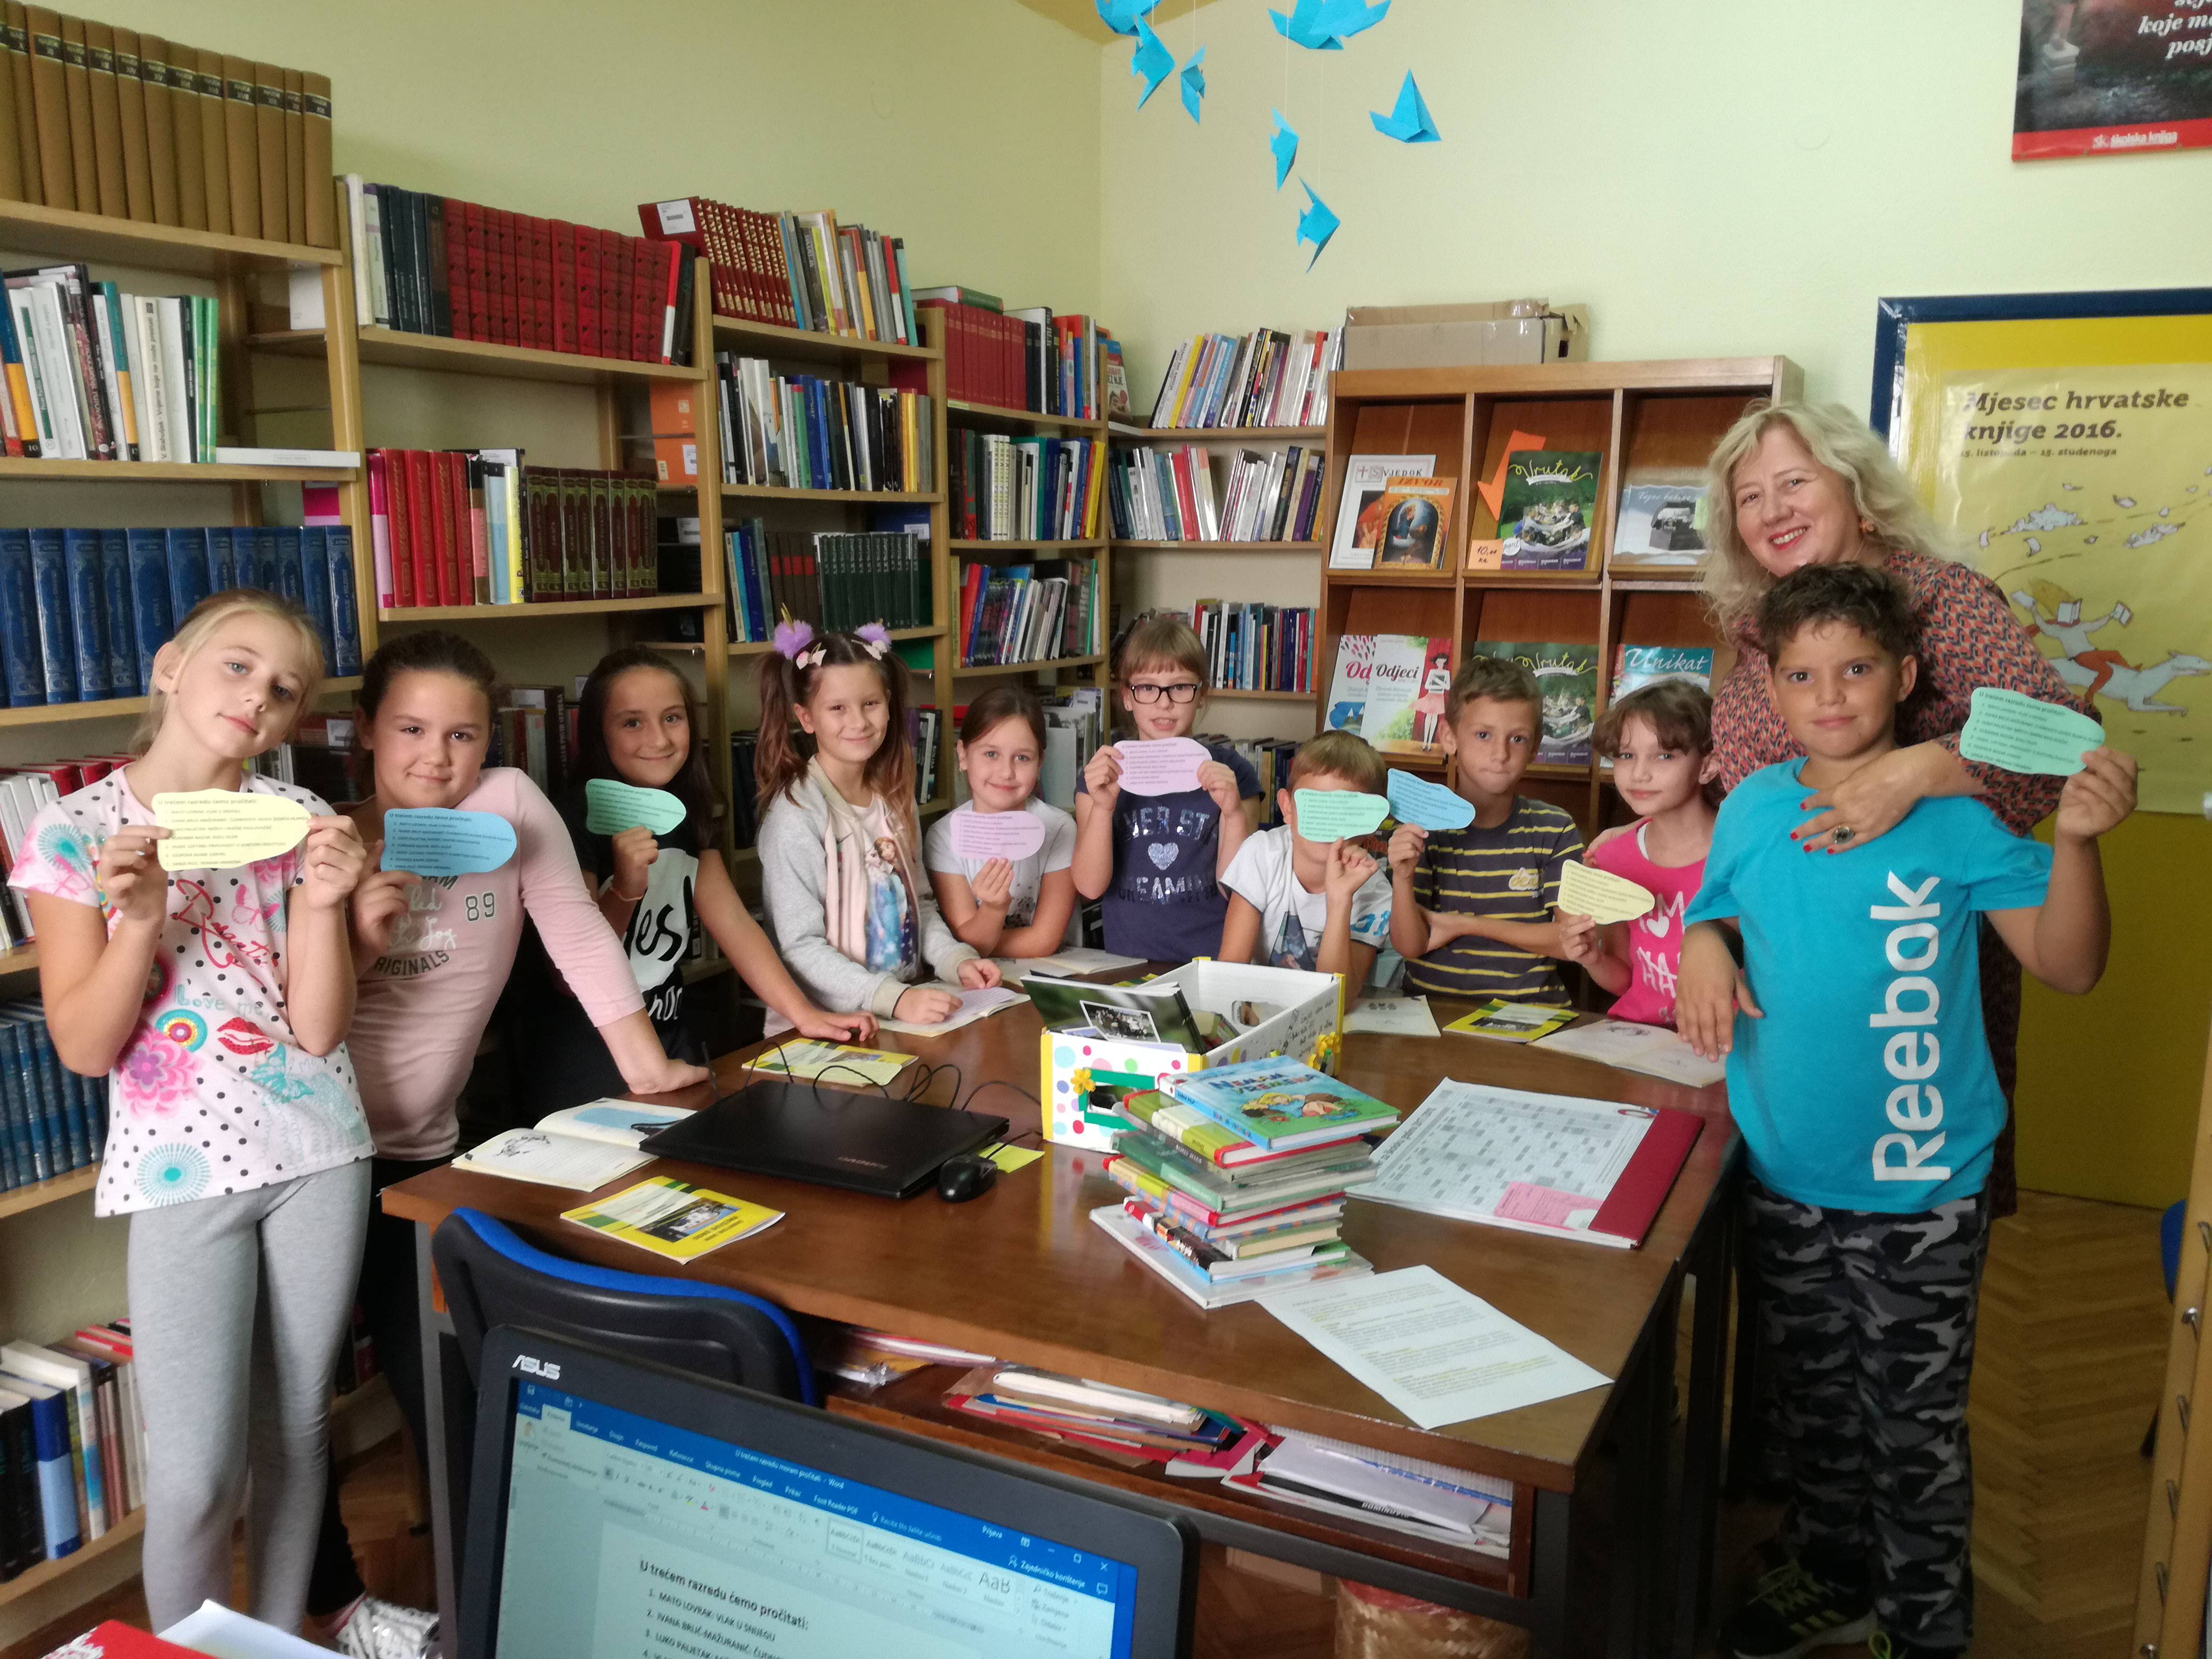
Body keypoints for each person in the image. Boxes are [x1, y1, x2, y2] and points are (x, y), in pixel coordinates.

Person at [1678, 564, 2135, 1659]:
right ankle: (1834, 1578)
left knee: (1912, 1434)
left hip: (1922, 1192)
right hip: (1785, 1179)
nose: (1829, 695)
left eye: (1856, 669)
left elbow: (2069, 966)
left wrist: (2076, 843)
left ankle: (1926, 1626)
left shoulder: (1955, 818)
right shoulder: (1752, 805)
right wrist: (1700, 940)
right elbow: (1722, 906)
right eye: (1801, 675)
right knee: (1817, 1416)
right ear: (1770, 692)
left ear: (1907, 675)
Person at [306, 630, 708, 1656]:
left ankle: (499, 1610)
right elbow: (293, 1016)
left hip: (425, 1154)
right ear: (365, 733)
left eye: (463, 735)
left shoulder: (511, 807)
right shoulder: (330, 842)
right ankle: (332, 1607)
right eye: (411, 730)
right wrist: (355, 932)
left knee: (457, 1380)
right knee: (295, 1394)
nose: (437, 757)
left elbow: (574, 929)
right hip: (312, 1154)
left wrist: (646, 1065)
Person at [12, 592, 373, 1634]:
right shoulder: (74, 830)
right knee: (195, 1472)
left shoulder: (296, 818)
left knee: (297, 1430)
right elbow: (85, 1047)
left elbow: (318, 1030)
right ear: (172, 666)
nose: (258, 696)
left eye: (285, 689)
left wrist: (323, 904)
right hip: (184, 1165)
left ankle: (277, 1641)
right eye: (238, 666)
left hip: (320, 1147)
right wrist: (138, 924)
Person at [1700, 398, 2078, 1217]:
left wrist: (1918, 771)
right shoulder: (1761, 627)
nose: (1774, 510)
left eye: (1795, 482)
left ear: (1857, 488)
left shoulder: (1942, 598)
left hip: (1916, 950)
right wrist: (1709, 933)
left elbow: (2062, 734)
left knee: (1917, 1181)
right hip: (1789, 974)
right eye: (1751, 497)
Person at [515, 646, 872, 1110]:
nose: (659, 739)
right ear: (598, 733)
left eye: (673, 718)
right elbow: (569, 974)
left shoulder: (684, 810)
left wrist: (804, 1014)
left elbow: (736, 926)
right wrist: (624, 890)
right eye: (632, 723)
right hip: (589, 1062)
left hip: (670, 1041)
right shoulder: (570, 820)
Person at [754, 622, 1000, 1023]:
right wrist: (893, 998)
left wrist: (955, 959)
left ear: (888, 704)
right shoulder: (796, 815)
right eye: (837, 708)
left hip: (901, 1012)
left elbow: (918, 905)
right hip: (826, 1030)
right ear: (806, 717)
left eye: (870, 703)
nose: (859, 722)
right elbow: (799, 946)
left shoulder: (896, 799)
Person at [1386, 654, 1584, 1002]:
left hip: (1529, 1012)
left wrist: (1466, 924)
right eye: (1483, 735)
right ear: (1450, 738)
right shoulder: (1422, 828)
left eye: (1517, 739)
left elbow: (1573, 942)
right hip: (1434, 1011)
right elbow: (1410, 946)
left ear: (1535, 748)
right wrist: (1403, 878)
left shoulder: (1554, 828)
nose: (1500, 754)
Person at [1071, 615, 1259, 960]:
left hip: (1212, 959)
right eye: (1147, 688)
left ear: (1201, 695)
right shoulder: (1102, 775)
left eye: (1180, 687)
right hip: (1126, 961)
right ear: (1127, 697)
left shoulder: (1234, 774)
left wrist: (1233, 814)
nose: (1164, 703)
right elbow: (1089, 886)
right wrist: (1102, 808)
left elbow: (1237, 891)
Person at [1556, 680, 1718, 1028]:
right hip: (1639, 1036)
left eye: (1664, 756)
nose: (1639, 774)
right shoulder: (1612, 857)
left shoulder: (1741, 851)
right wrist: (1592, 958)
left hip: (1724, 1042)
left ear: (1707, 766)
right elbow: (1626, 980)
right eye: (1626, 755)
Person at [1218, 730, 1393, 979]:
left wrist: (1340, 900)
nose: (1328, 824)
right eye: (1316, 807)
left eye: (1345, 812)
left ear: (1371, 822)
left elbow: (1340, 996)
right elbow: (1229, 972)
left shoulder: (1375, 893)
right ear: (1288, 807)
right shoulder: (1262, 852)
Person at [924, 684, 1078, 960]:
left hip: (1052, 970)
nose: (1006, 772)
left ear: (1040, 763)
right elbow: (967, 943)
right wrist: (993, 909)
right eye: (991, 754)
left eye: (1022, 758)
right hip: (975, 975)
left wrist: (974, 938)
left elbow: (1044, 941)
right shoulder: (944, 836)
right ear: (963, 755)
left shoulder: (1059, 828)